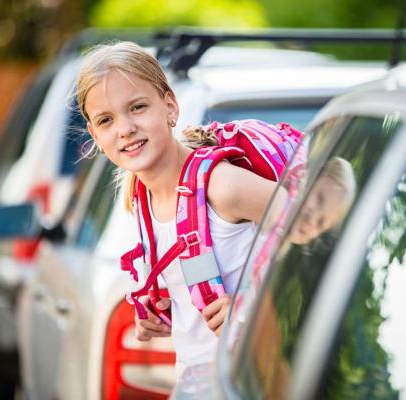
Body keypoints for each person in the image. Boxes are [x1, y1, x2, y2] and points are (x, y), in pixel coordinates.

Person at [75, 41, 278, 376]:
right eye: (107, 120)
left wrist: (252, 308)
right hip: (198, 381)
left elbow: (324, 237)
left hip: (256, 379)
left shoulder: (222, 187)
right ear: (95, 135)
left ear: (170, 106)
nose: (125, 128)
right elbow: (205, 265)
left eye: (138, 107)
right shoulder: (141, 200)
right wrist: (161, 312)